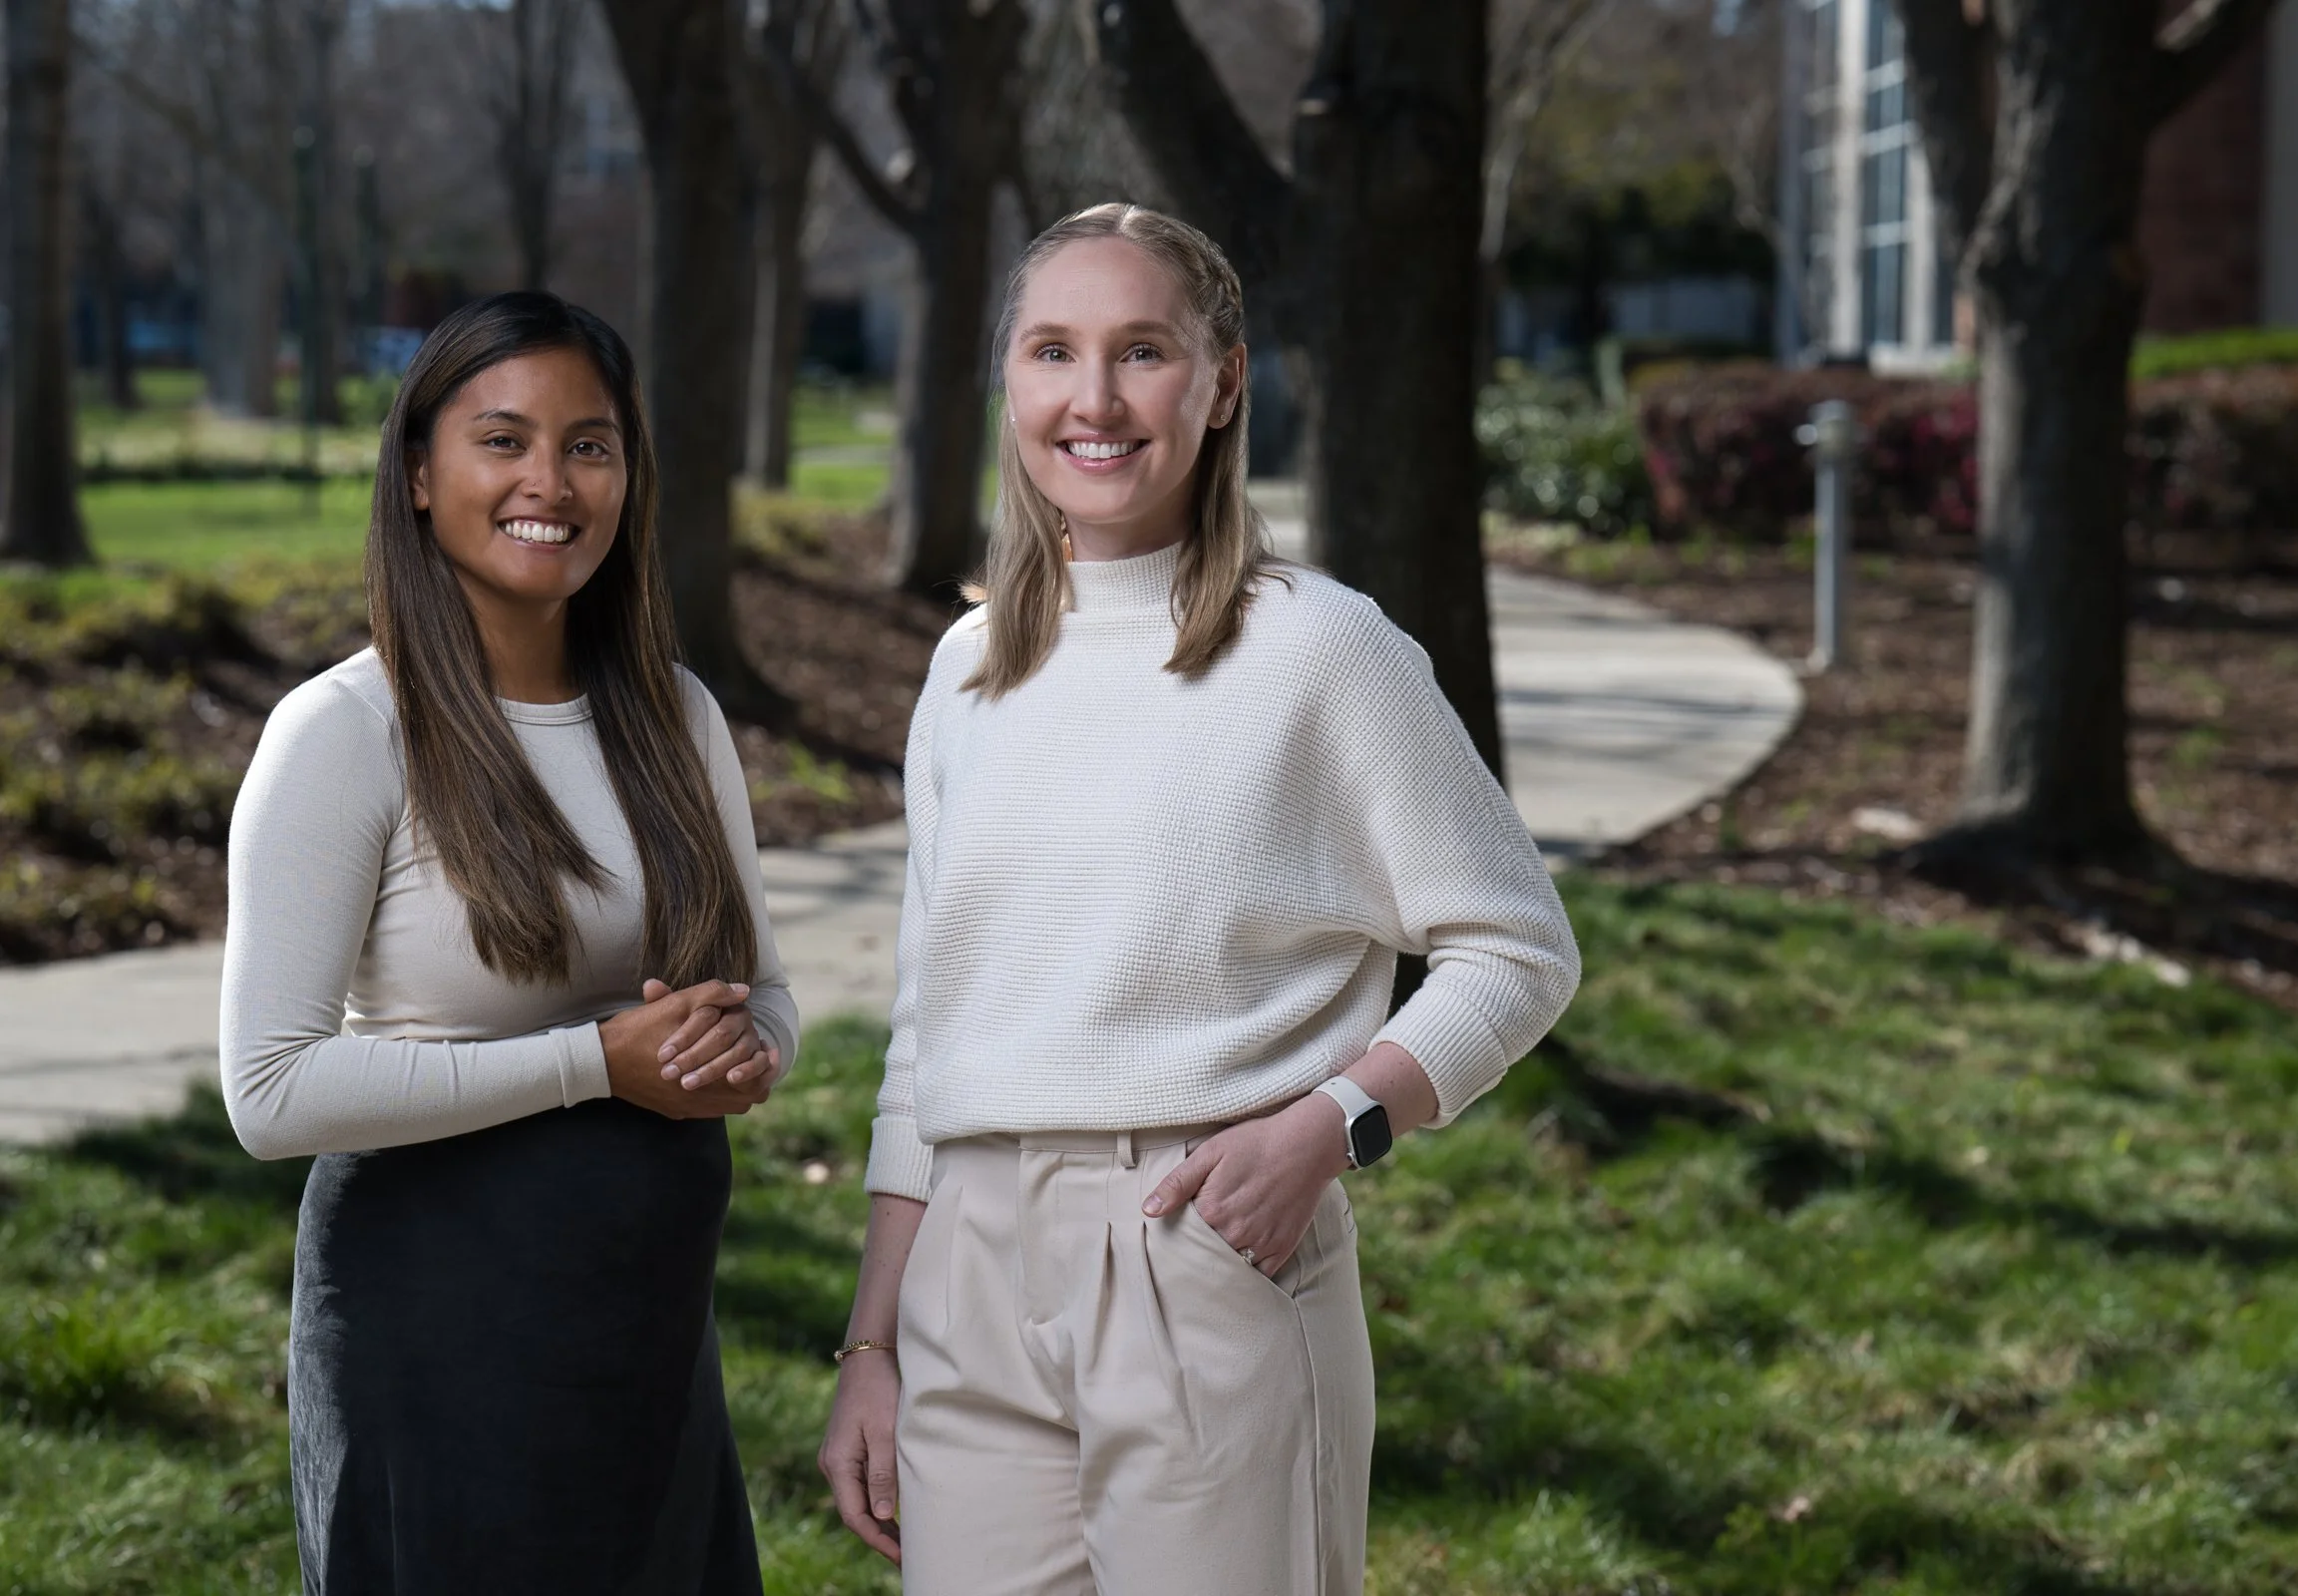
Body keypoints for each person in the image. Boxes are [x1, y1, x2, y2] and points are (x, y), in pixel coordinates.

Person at [816, 203, 1581, 1595]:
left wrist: (1331, 1128)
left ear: (1223, 383)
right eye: (1054, 351)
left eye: (1142, 352)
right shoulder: (968, 668)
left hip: (1201, 1241)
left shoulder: (1319, 648)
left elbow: (1516, 950)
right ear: (1008, 380)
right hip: (967, 1276)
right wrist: (873, 1340)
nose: (1094, 401)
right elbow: (930, 1032)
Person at [219, 291, 794, 1594]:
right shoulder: (346, 733)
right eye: (503, 440)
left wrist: (746, 1052)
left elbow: (768, 991)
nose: (551, 481)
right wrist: (598, 1062)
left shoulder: (677, 716)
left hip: (647, 1337)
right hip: (434, 1333)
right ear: (420, 475)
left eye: (590, 445)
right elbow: (270, 1092)